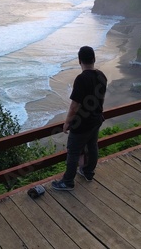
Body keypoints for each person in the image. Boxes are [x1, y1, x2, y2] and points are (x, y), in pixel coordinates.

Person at [52, 46, 107, 191]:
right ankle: (88, 172)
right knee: (93, 145)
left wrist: (67, 122)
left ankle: (68, 181)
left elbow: (74, 106)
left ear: (79, 61)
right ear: (94, 59)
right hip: (96, 120)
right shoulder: (102, 76)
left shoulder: (81, 79)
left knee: (73, 151)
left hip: (82, 123)